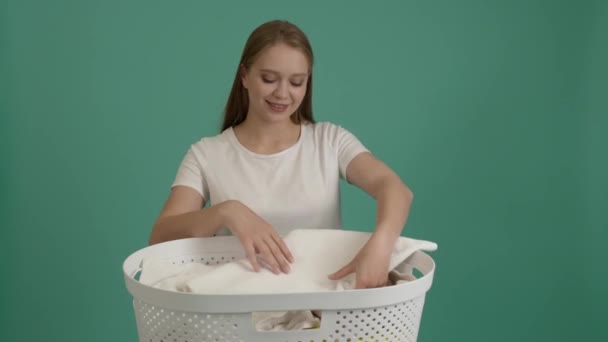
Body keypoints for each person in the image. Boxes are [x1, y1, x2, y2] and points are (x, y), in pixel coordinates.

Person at [149, 20, 414, 289]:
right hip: (237, 317)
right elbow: (161, 236)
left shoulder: (330, 141)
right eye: (269, 79)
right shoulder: (206, 154)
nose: (282, 93)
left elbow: (394, 188)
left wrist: (381, 244)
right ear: (244, 76)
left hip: (323, 314)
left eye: (296, 82)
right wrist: (227, 212)